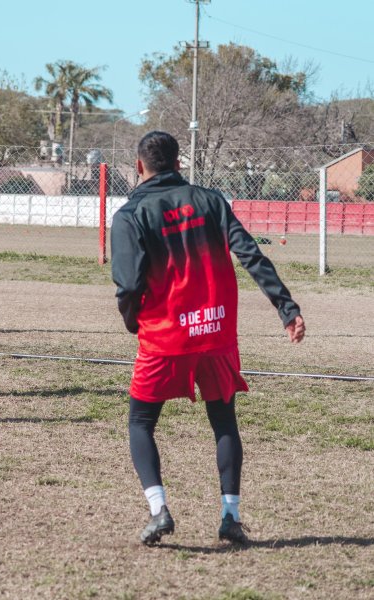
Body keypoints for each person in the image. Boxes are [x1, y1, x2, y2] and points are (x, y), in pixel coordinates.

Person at [111, 131, 306, 546]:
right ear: (179, 164)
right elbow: (251, 254)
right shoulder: (212, 201)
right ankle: (230, 516)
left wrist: (132, 320)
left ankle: (158, 510)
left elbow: (127, 284)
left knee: (141, 422)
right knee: (224, 421)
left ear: (139, 165)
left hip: (164, 339)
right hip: (214, 332)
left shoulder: (130, 214)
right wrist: (286, 308)